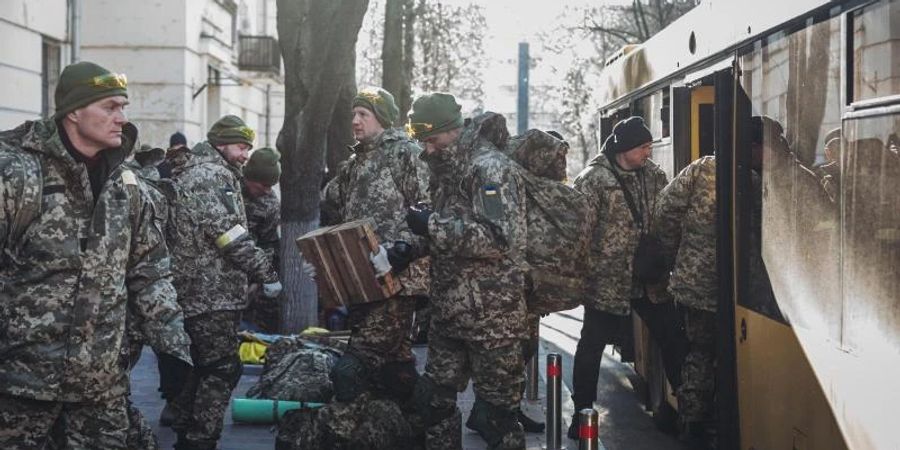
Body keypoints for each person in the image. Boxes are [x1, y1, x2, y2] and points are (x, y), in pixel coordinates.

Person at [0, 61, 191, 449]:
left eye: (124, 106)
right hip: (21, 386)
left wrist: (172, 347)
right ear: (73, 111)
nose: (122, 118)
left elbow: (150, 273)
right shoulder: (17, 174)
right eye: (109, 107)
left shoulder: (127, 185)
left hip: (99, 386)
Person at [406, 93, 529, 449]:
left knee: (497, 418)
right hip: (450, 313)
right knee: (433, 405)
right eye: (422, 141)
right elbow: (449, 232)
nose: (427, 149)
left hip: (492, 320)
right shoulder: (446, 169)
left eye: (431, 139)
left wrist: (431, 224)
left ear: (452, 131)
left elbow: (497, 239)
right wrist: (410, 247)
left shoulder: (490, 169)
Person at [168, 115, 282, 450]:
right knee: (222, 369)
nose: (246, 154)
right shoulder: (211, 175)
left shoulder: (203, 171)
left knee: (203, 366)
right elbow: (229, 235)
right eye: (241, 146)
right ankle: (199, 440)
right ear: (221, 143)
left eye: (248, 147)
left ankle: (185, 426)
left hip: (201, 288)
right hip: (208, 292)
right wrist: (268, 275)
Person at [320, 87, 431, 405]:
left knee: (353, 368)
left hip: (398, 281)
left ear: (381, 117)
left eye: (363, 114)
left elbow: (430, 212)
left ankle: (351, 432)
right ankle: (420, 427)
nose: (354, 121)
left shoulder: (405, 154)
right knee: (395, 368)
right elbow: (331, 202)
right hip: (363, 279)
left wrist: (400, 251)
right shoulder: (355, 162)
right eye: (353, 114)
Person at [568, 116, 668, 438]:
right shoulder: (593, 180)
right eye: (644, 148)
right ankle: (581, 413)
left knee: (673, 338)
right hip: (606, 283)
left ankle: (691, 416)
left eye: (650, 147)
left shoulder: (653, 176)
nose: (648, 154)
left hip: (646, 280)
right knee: (591, 347)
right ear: (625, 149)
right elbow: (577, 233)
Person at [241, 147, 283, 333]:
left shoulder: (270, 204)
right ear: (250, 177)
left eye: (271, 185)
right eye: (263, 185)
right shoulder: (229, 187)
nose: (268, 191)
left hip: (252, 268)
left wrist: (257, 281)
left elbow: (268, 244)